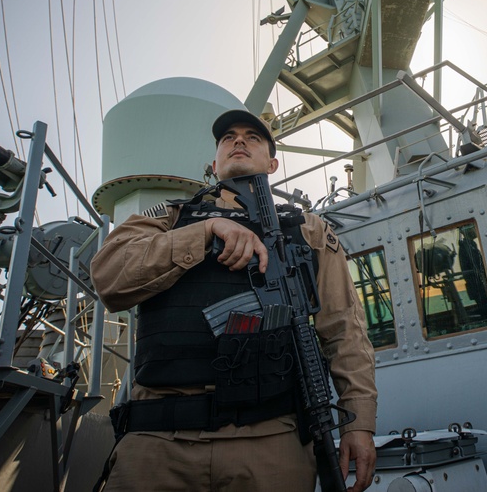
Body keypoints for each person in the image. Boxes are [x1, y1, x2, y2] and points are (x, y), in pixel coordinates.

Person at [91, 109, 377, 492]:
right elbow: (109, 277)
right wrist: (205, 231)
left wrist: (359, 423)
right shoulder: (169, 219)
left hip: (270, 442)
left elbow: (344, 329)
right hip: (158, 443)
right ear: (214, 164)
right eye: (228, 137)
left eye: (252, 137)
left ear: (272, 163)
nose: (238, 141)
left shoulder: (306, 229)